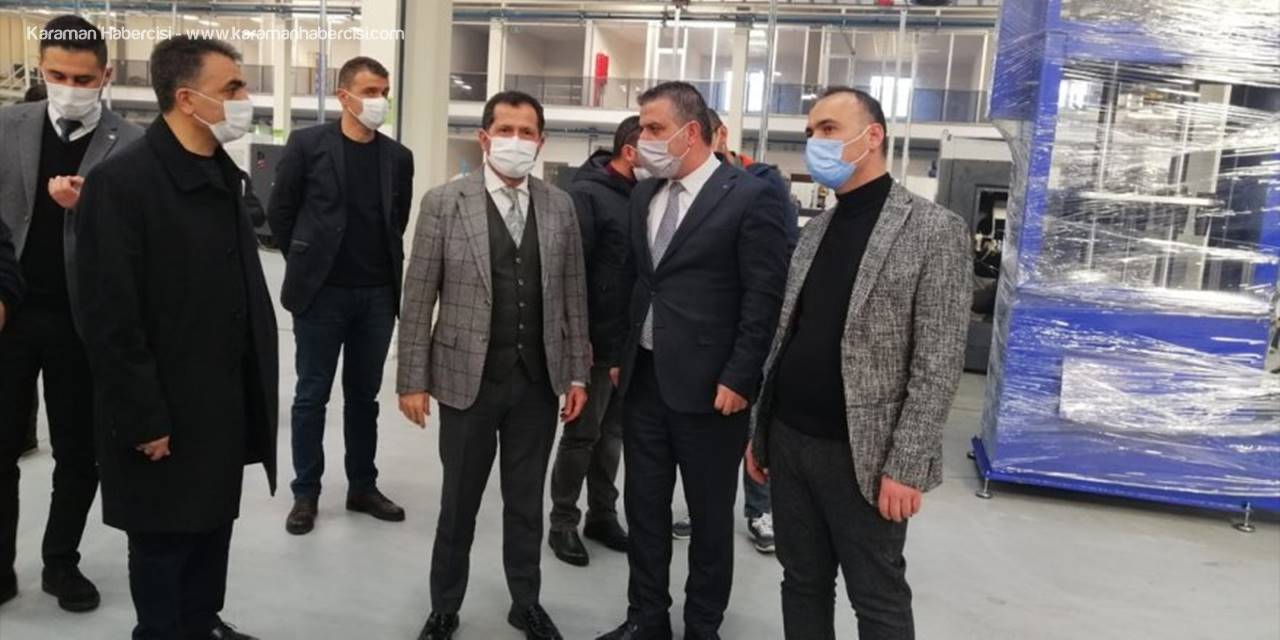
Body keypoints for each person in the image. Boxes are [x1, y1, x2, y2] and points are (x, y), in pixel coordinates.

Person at [746, 87, 970, 640]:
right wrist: (761, 432)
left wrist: (906, 464)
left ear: (872, 137)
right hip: (790, 438)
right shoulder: (816, 232)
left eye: (828, 129)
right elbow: (788, 336)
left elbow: (938, 361)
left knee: (877, 596)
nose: (815, 142)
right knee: (802, 581)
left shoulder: (934, 230)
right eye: (811, 132)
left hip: (863, 454)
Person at [73, 35, 278, 640]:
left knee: (212, 524)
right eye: (232, 88)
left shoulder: (219, 172)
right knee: (164, 539)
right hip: (162, 407)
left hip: (218, 399)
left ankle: (202, 622)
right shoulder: (123, 184)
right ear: (187, 99)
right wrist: (144, 419)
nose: (244, 98)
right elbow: (110, 319)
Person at [597, 82, 789, 640]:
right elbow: (636, 280)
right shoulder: (645, 195)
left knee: (708, 519)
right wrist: (620, 352)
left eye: (654, 128)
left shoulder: (750, 197)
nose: (643, 139)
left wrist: (741, 376)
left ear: (691, 132)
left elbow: (763, 297)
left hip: (712, 391)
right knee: (645, 508)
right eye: (642, 127)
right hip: (645, 381)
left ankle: (703, 626)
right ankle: (646, 617)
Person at [397, 90, 591, 640]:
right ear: (484, 138)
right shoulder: (444, 202)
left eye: (527, 132)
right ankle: (444, 606)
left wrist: (577, 371)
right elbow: (419, 295)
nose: (516, 141)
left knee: (526, 503)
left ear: (541, 142)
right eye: (505, 130)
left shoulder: (559, 206)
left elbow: (573, 294)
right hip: (467, 381)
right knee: (458, 503)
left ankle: (525, 602)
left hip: (536, 382)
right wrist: (412, 379)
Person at [0, 14, 145, 613]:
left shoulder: (132, 144)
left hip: (83, 323)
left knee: (79, 451)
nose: (69, 87)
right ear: (41, 69)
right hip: (11, 315)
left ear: (105, 76)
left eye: (83, 79)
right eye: (57, 75)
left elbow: (141, 240)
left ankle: (61, 561)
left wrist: (89, 212)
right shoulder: (7, 126)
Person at [267, 56, 414, 535]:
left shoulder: (398, 157)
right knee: (311, 395)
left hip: (376, 296)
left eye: (384, 92)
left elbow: (396, 221)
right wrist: (305, 260)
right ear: (344, 96)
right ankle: (305, 492)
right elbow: (281, 212)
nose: (379, 101)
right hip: (321, 294)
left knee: (364, 398)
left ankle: (362, 487)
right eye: (370, 92)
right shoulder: (308, 145)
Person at [546, 115, 643, 567]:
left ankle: (602, 515)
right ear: (630, 150)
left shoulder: (645, 195)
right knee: (582, 434)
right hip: (595, 340)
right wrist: (576, 343)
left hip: (629, 342)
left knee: (613, 436)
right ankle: (563, 521)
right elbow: (572, 275)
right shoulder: (587, 195)